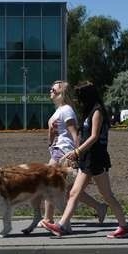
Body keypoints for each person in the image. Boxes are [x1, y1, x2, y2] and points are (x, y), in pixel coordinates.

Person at [41, 81, 128, 239]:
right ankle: (61, 226)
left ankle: (123, 226)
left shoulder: (97, 111)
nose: (78, 100)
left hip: (96, 159)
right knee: (74, 193)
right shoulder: (89, 111)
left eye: (80, 97)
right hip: (87, 158)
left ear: (87, 96)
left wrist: (77, 151)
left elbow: (94, 136)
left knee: (107, 195)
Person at [41, 80, 107, 232]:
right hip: (57, 151)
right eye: (51, 89)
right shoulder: (58, 110)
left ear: (62, 94)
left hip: (64, 153)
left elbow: (75, 134)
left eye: (54, 90)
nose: (51, 92)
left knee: (52, 185)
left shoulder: (67, 111)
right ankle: (99, 207)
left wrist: (77, 153)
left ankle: (50, 219)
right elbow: (54, 136)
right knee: (68, 189)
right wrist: (51, 137)